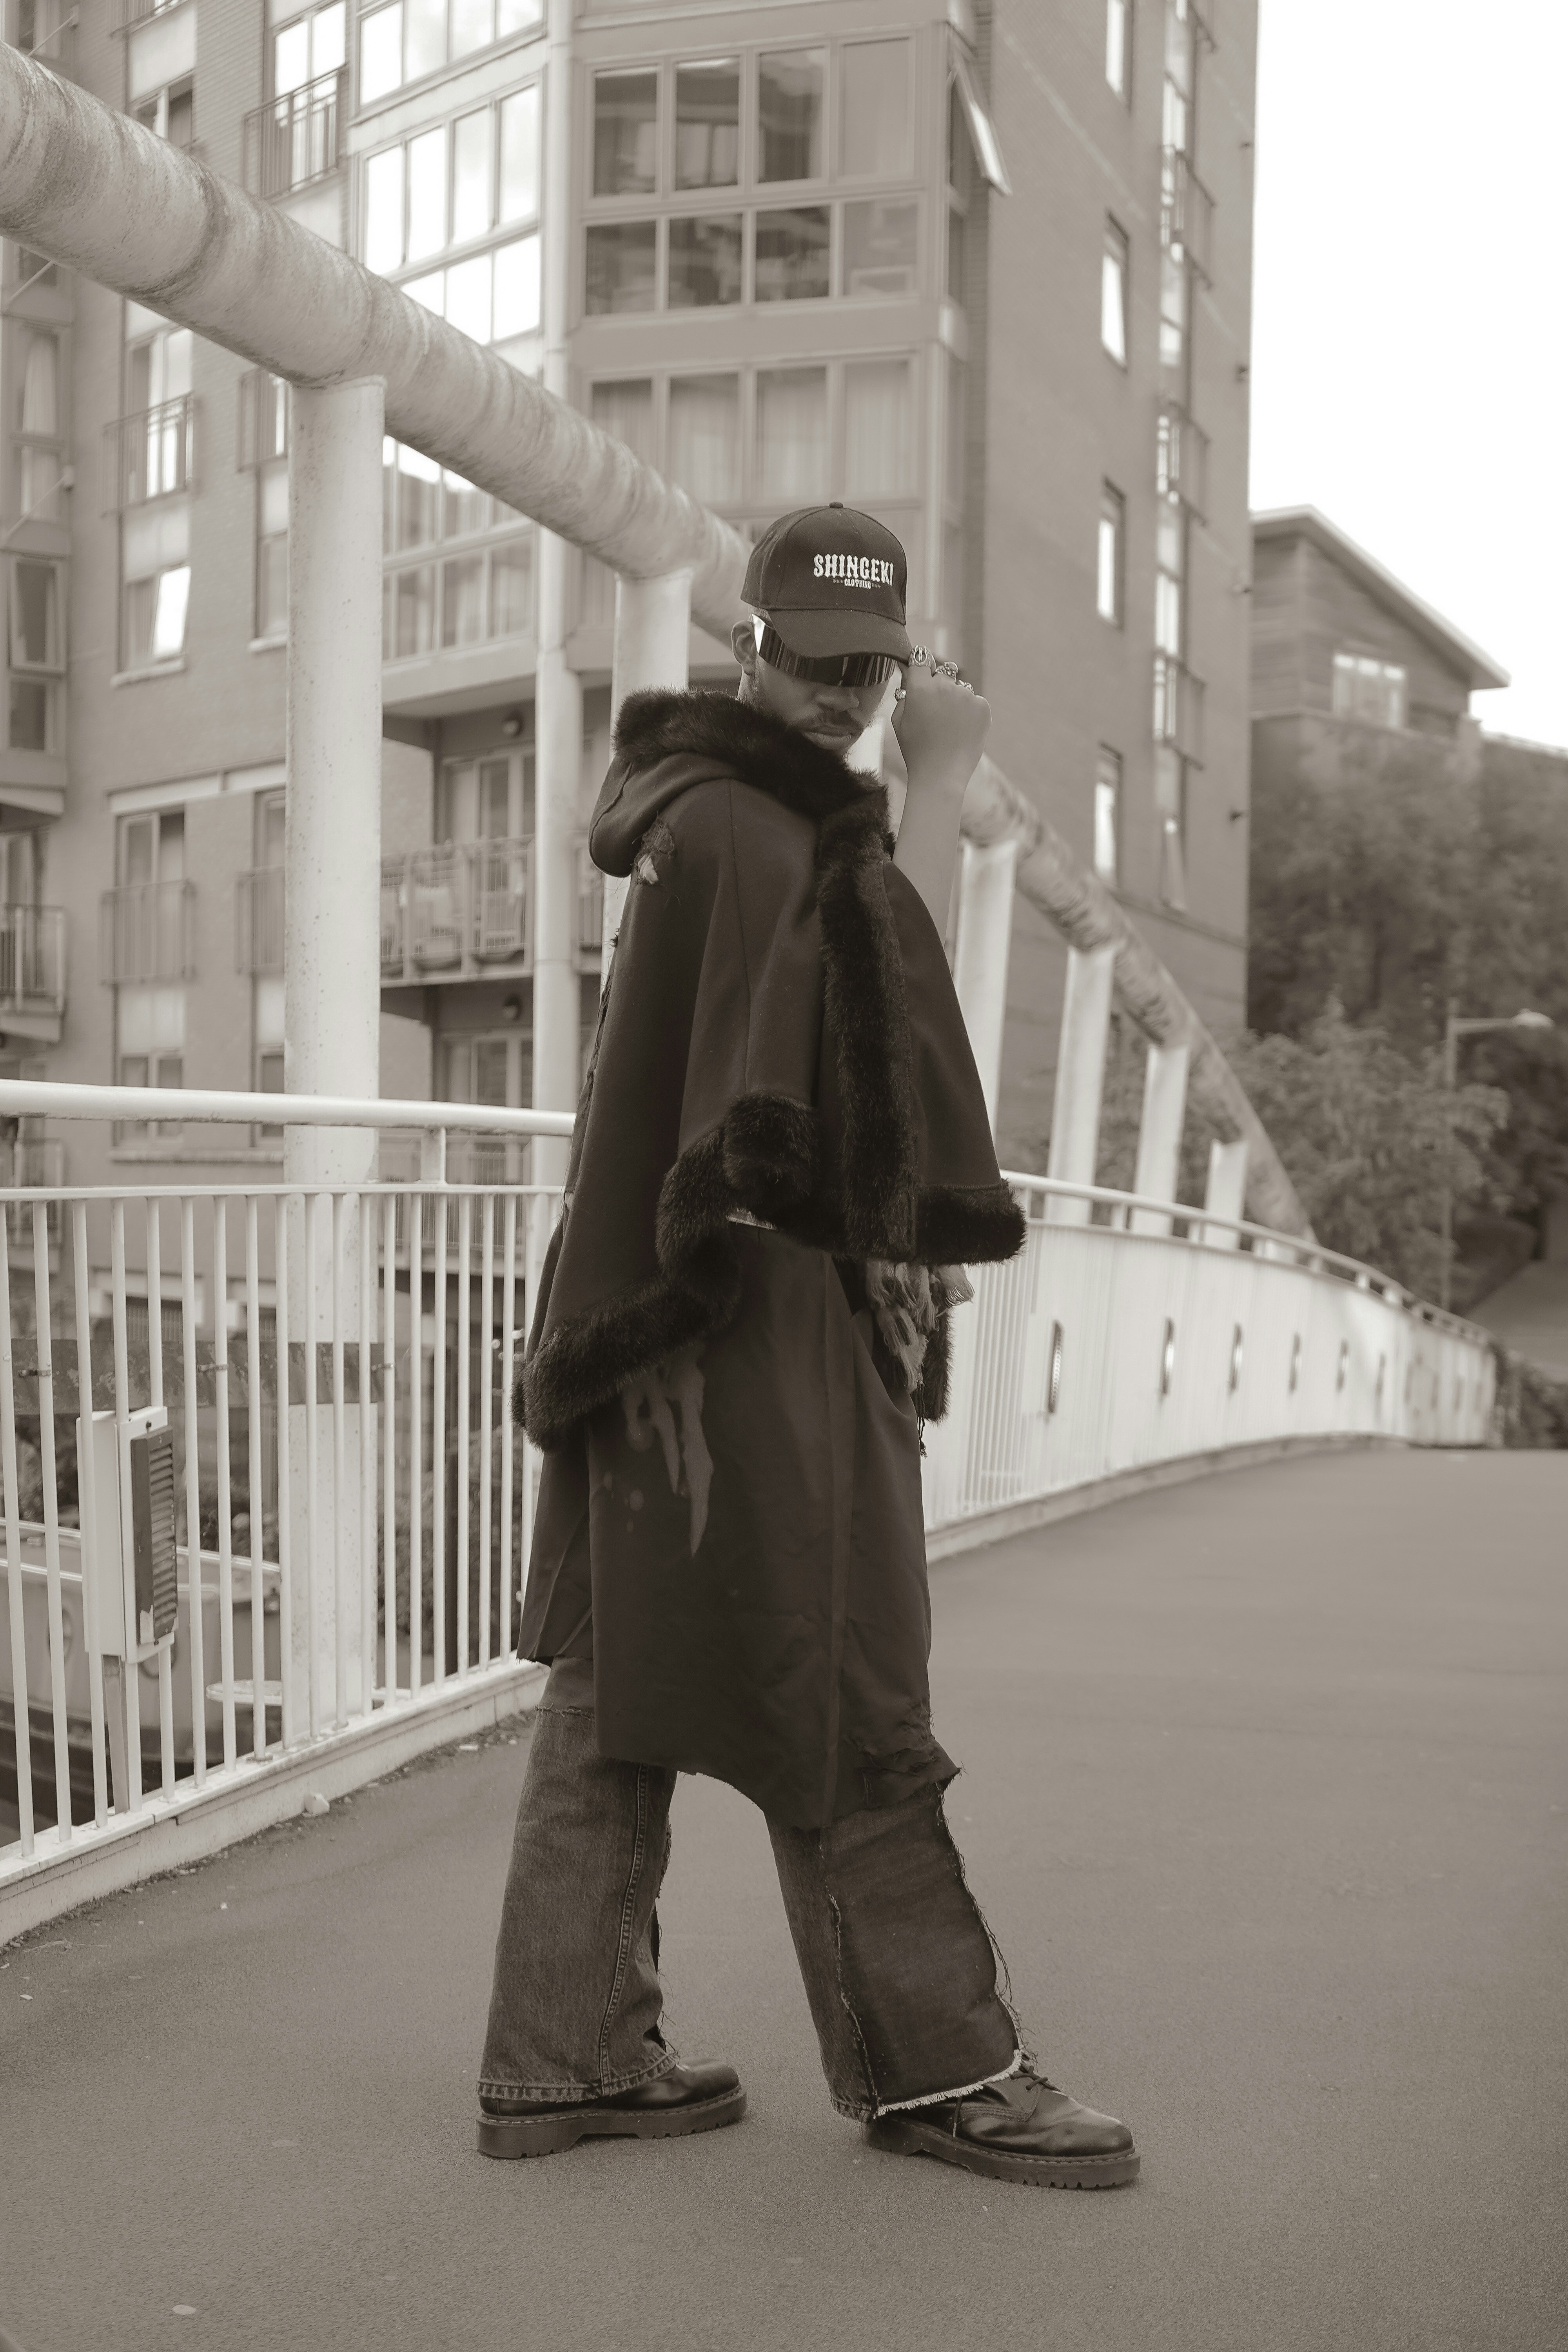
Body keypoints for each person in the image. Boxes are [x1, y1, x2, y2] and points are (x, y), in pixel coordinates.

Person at [477, 504, 1138, 2191]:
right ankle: (941, 2073)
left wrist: (885, 789)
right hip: (749, 1327)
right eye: (831, 665)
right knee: (840, 1680)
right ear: (754, 646)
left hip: (644, 1319)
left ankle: (564, 2055)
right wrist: (939, 778)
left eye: (875, 668)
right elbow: (874, 1078)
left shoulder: (696, 818)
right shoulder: (769, 839)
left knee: (615, 1693)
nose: (849, 694)